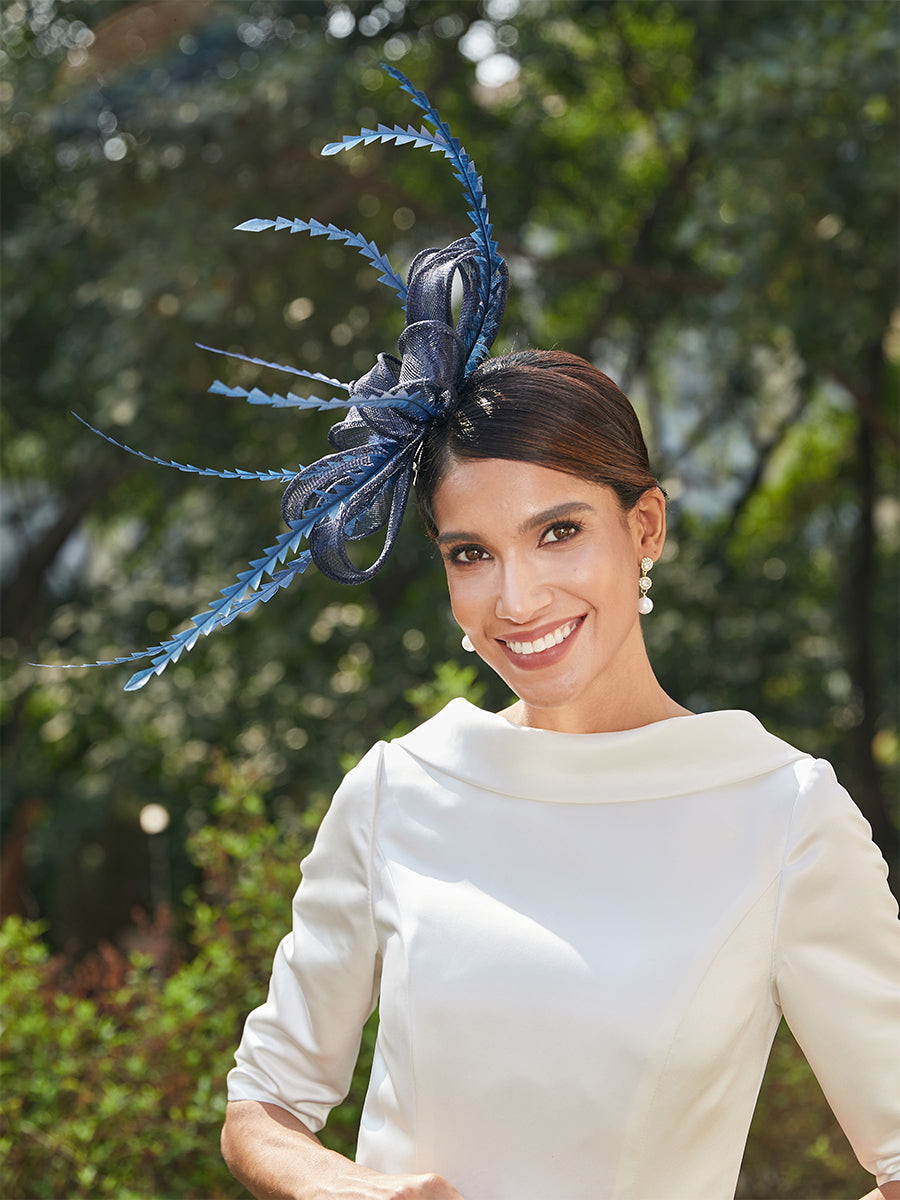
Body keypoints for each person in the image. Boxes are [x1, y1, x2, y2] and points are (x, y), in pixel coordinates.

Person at [221, 349, 900, 1200]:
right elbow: (264, 1104)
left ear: (645, 525)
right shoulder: (399, 789)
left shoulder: (781, 812)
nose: (518, 599)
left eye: (559, 532)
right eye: (472, 554)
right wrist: (345, 1190)